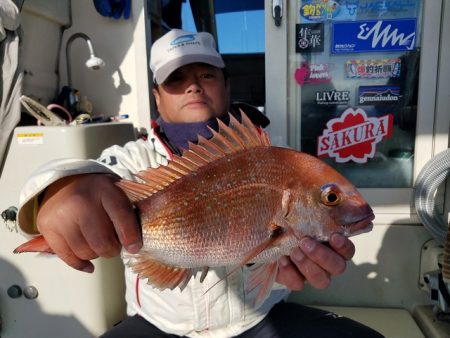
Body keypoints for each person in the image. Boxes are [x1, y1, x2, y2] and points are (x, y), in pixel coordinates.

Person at [17, 29, 383, 338]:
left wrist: (296, 261)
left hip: (258, 320)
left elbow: (275, 256)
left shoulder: (277, 156)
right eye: (175, 79)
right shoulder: (132, 160)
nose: (193, 85)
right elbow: (94, 171)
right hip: (159, 325)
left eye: (206, 75)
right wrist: (58, 192)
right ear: (157, 97)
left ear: (226, 85)